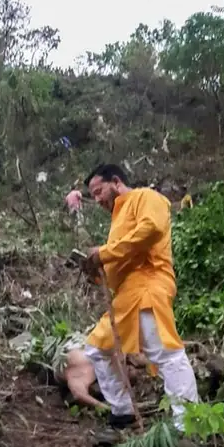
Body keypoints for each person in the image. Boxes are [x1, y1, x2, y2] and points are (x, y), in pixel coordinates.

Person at [80, 163, 200, 429]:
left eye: (99, 191)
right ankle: (122, 410)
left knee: (165, 354)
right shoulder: (118, 219)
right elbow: (120, 262)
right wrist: (96, 271)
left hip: (149, 287)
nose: (97, 199)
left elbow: (151, 230)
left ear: (116, 181)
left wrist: (105, 253)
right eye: (94, 195)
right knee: (98, 349)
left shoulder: (147, 197)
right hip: (126, 296)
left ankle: (189, 423)